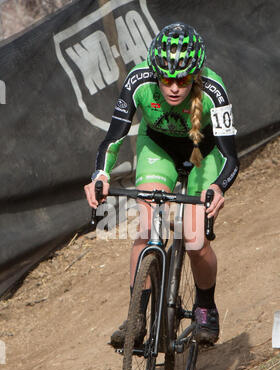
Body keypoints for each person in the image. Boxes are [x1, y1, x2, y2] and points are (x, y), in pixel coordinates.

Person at [84, 23, 239, 348]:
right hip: (158, 149)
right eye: (165, 78)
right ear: (154, 72)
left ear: (195, 75)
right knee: (146, 227)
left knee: (195, 241)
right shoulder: (138, 81)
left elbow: (230, 157)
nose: (172, 87)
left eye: (182, 80)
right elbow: (112, 139)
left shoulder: (214, 90)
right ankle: (136, 317)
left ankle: (205, 307)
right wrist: (101, 175)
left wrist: (219, 186)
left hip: (203, 153)